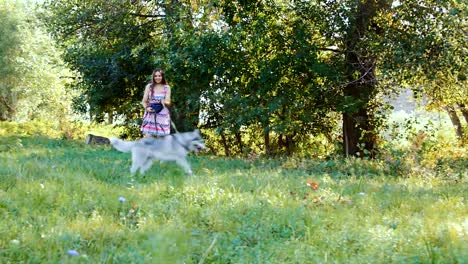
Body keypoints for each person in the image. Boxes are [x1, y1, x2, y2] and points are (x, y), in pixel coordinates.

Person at [140, 68, 172, 137]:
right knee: (148, 138)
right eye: (155, 76)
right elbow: (143, 102)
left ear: (162, 76)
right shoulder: (149, 87)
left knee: (162, 139)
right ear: (153, 77)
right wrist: (147, 108)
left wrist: (164, 101)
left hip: (162, 115)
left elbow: (168, 102)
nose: (157, 77)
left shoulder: (167, 87)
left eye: (159, 76)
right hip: (150, 114)